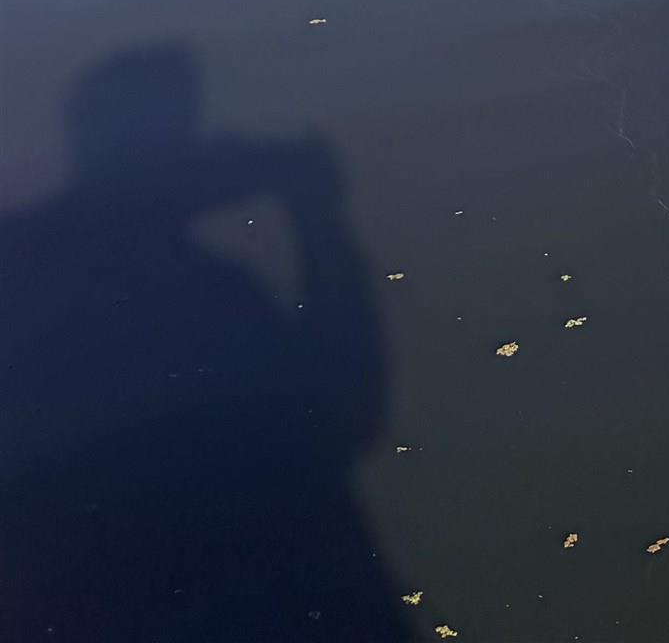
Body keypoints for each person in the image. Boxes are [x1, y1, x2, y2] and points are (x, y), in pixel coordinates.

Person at [0, 45, 405, 639]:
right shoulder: (211, 295)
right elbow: (347, 415)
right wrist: (317, 217)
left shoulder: (24, 259)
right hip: (254, 597)